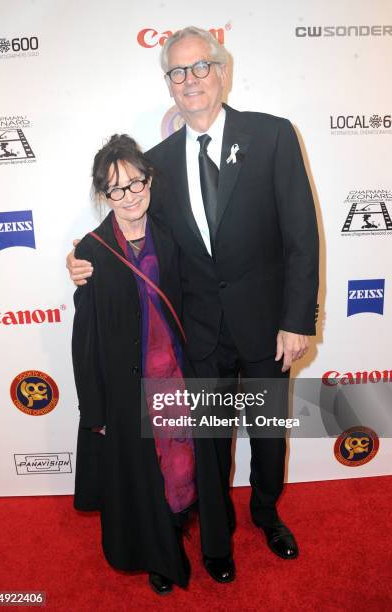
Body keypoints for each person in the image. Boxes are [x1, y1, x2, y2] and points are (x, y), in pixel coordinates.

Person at [68, 26, 319, 581]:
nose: (191, 80)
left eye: (200, 67)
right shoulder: (154, 163)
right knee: (208, 446)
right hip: (197, 335)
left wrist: (298, 319)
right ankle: (216, 540)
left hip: (267, 329)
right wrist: (83, 257)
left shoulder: (273, 136)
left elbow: (302, 233)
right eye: (178, 72)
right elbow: (130, 228)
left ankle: (266, 511)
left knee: (267, 434)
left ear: (221, 70)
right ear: (169, 84)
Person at [72, 134, 197, 595]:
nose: (129, 196)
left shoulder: (171, 234)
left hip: (177, 379)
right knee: (146, 474)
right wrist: (95, 408)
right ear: (103, 195)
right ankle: (160, 554)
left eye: (136, 183)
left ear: (149, 180)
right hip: (128, 388)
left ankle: (179, 527)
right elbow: (84, 337)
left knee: (180, 466)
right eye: (116, 189)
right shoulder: (93, 250)